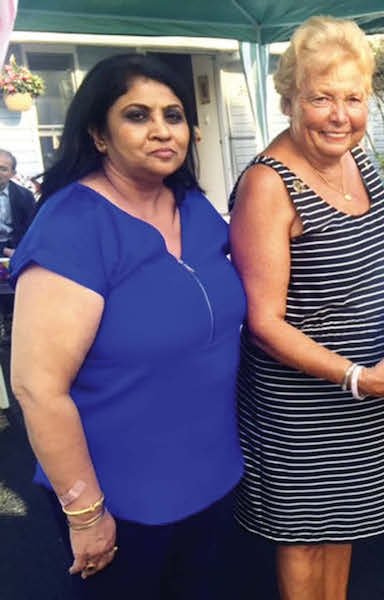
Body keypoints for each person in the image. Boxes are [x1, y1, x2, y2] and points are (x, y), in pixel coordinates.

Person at [229, 16, 384, 600]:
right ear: (288, 101)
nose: (339, 114)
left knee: (341, 533)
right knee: (304, 541)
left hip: (373, 392)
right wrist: (356, 377)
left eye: (353, 98)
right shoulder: (267, 185)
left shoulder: (361, 161)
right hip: (303, 405)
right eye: (320, 97)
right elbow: (263, 321)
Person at [9, 54, 246, 599]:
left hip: (210, 476)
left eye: (174, 114)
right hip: (120, 494)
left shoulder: (194, 207)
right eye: (137, 115)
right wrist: (86, 513)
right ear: (98, 133)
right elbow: (37, 388)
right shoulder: (72, 225)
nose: (162, 129)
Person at [0, 149, 36, 257]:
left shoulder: (25, 196)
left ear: (13, 173)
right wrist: (4, 250)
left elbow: (32, 230)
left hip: (19, 248)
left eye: (3, 169)